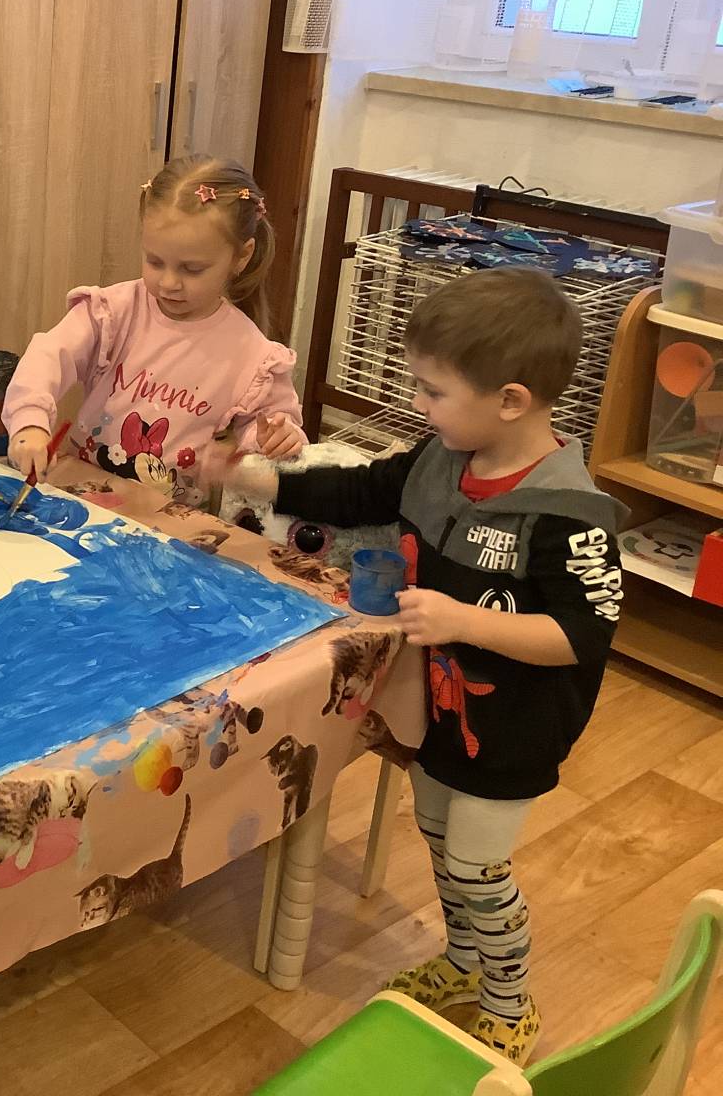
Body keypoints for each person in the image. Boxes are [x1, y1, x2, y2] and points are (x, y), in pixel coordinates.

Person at [214, 267, 624, 1063]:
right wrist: (253, 477)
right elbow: (356, 491)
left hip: (515, 731)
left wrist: (464, 621)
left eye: (434, 391)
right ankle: (463, 964)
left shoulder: (569, 514)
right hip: (441, 710)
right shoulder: (443, 456)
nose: (419, 404)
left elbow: (583, 634)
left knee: (478, 868)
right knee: (439, 841)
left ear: (511, 401)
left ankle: (510, 1004)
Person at [0, 155, 306, 507]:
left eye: (192, 269)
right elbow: (49, 355)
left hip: (167, 519)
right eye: (155, 261)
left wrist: (274, 439)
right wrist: (29, 423)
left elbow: (271, 429)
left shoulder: (252, 353)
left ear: (242, 256)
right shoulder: (113, 312)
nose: (169, 283)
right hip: (81, 497)